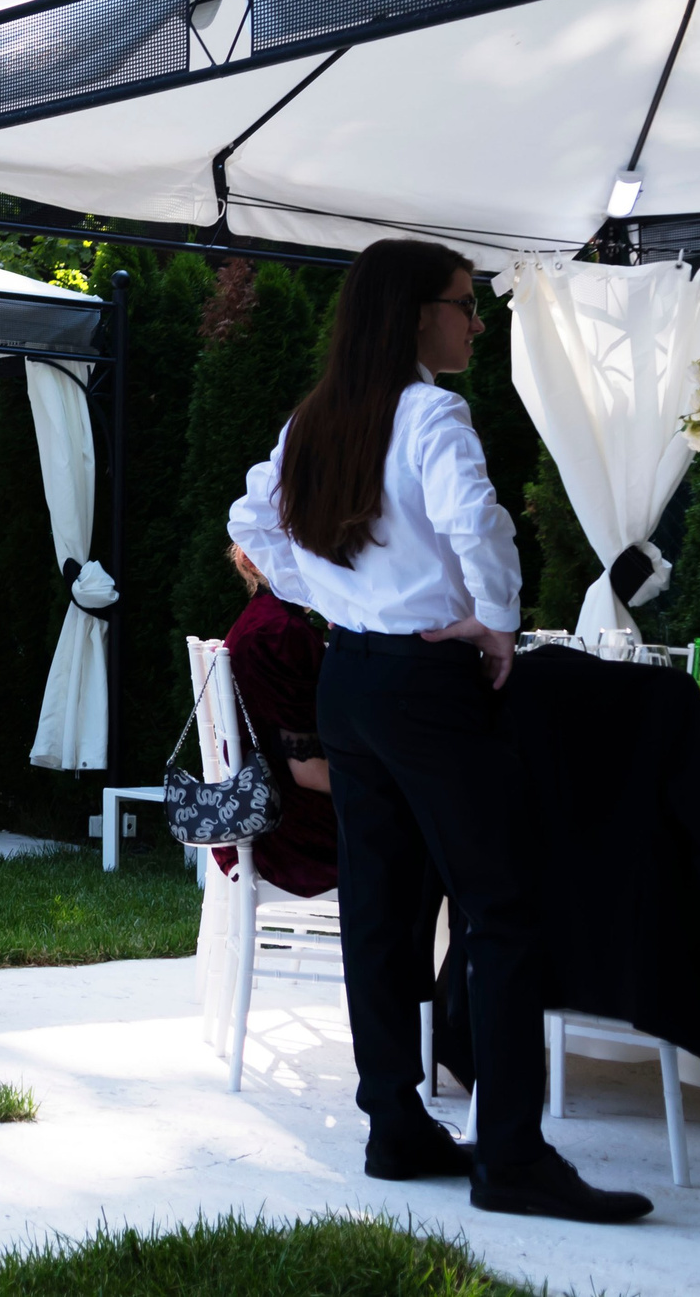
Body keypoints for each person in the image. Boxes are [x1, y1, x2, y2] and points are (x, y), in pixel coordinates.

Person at [230, 237, 647, 1223]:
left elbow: (250, 527)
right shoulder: (428, 412)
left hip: (353, 684)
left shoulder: (317, 419)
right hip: (425, 687)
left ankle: (394, 1128)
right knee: (502, 909)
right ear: (418, 313)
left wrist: (330, 597)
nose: (475, 320)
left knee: (380, 914)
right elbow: (480, 523)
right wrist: (495, 621)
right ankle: (510, 1156)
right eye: (465, 303)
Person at [210, 543, 337, 899]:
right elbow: (309, 772)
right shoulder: (279, 633)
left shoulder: (268, 619)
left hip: (273, 816)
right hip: (291, 833)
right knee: (425, 828)